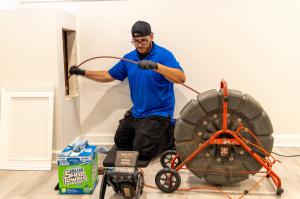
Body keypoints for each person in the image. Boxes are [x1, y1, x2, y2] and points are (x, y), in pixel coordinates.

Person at [70, 21, 185, 161]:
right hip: (138, 112)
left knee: (141, 152)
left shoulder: (164, 55)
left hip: (159, 112)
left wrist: (156, 66)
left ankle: (170, 134)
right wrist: (82, 72)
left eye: (143, 40)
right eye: (136, 41)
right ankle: (144, 134)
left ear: (152, 37)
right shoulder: (129, 58)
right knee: (121, 142)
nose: (140, 44)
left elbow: (181, 78)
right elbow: (107, 75)